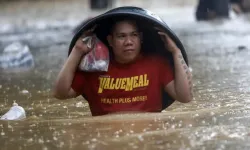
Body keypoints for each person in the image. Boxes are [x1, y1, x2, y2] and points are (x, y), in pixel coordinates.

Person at [53, 18, 193, 116]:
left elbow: (185, 97)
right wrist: (77, 50)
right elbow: (60, 93)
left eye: (134, 35)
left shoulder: (157, 64)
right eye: (121, 36)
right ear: (110, 40)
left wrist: (176, 51)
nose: (128, 42)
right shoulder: (94, 68)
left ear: (141, 38)